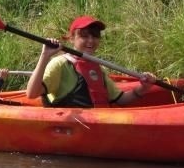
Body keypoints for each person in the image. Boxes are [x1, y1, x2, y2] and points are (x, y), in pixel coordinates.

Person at [25, 15, 156, 107]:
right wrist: (45, 56)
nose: (91, 41)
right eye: (84, 36)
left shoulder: (98, 67)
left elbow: (120, 99)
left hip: (99, 125)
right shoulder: (60, 64)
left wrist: (143, 88)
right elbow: (32, 93)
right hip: (74, 129)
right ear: (71, 39)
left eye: (95, 36)